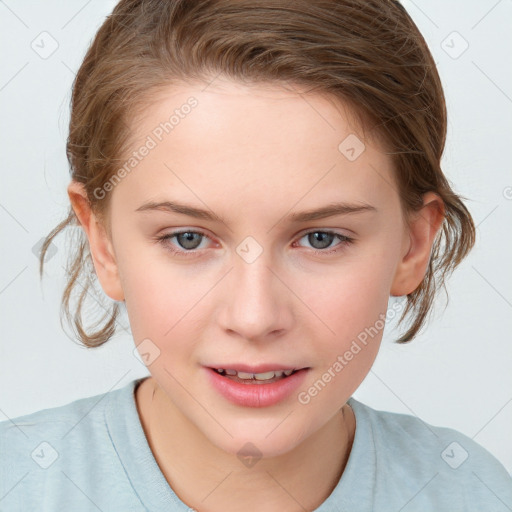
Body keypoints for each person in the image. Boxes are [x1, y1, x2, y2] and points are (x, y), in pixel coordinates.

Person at [1, 0, 511, 510]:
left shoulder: (474, 493)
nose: (254, 317)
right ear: (103, 242)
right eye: (188, 238)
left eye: (321, 239)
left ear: (412, 244)